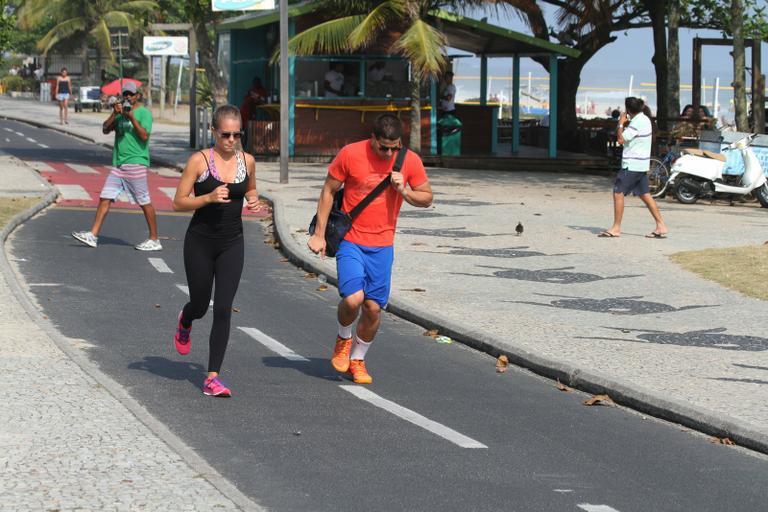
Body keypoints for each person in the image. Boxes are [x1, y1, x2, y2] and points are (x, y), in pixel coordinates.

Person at [307, 114, 433, 384]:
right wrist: (319, 234)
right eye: (383, 147)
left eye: (394, 147)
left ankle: (358, 359)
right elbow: (328, 190)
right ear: (372, 139)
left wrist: (405, 192)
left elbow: (427, 197)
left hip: (383, 245)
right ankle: (343, 340)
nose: (389, 153)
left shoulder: (409, 160)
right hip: (351, 239)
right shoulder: (351, 153)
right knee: (353, 299)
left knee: (374, 309)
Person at [171, 104, 266, 397]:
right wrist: (209, 198)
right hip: (200, 242)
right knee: (200, 306)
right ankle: (185, 319)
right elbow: (178, 202)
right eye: (226, 134)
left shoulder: (247, 161)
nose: (231, 140)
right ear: (213, 131)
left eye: (237, 134)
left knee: (223, 309)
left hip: (232, 243)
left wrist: (254, 201)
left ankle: (212, 377)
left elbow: (250, 189)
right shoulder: (198, 162)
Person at [72, 82, 162, 251]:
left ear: (137, 96)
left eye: (131, 94)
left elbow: (144, 136)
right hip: (118, 164)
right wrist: (115, 113)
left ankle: (154, 239)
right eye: (125, 94)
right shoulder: (119, 113)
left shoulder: (143, 113)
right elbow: (105, 129)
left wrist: (131, 118)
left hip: (136, 162)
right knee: (105, 197)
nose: (128, 96)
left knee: (144, 201)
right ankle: (93, 235)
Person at [599, 97, 668, 239]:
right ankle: (661, 225)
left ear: (628, 110)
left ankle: (616, 228)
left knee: (618, 193)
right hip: (641, 164)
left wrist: (620, 124)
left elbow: (621, 140)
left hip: (632, 165)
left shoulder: (636, 122)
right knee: (645, 195)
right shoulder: (645, 119)